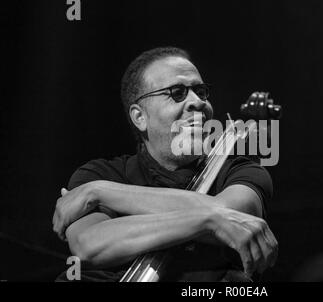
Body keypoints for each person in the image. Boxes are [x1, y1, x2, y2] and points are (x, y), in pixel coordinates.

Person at [52, 47, 278, 281]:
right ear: (140, 117)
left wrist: (99, 192)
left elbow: (236, 218)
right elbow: (90, 245)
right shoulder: (100, 172)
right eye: (177, 92)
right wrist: (208, 219)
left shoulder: (240, 172)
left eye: (201, 92)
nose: (197, 102)